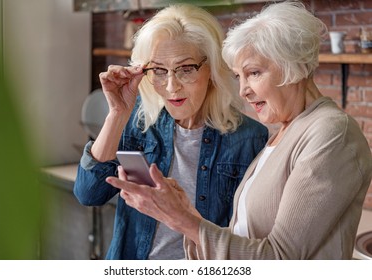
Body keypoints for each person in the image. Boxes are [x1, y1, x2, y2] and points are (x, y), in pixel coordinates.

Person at [107, 1, 372, 259]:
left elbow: (280, 260)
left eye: (254, 73)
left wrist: (183, 220)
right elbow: (245, 235)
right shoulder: (284, 133)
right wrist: (186, 213)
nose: (243, 91)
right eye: (239, 77)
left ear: (295, 65)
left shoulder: (331, 133)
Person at [74, 3, 268, 260]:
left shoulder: (250, 138)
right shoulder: (137, 122)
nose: (171, 85)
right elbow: (89, 194)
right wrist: (117, 114)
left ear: (211, 69)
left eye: (186, 69)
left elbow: (247, 239)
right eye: (158, 70)